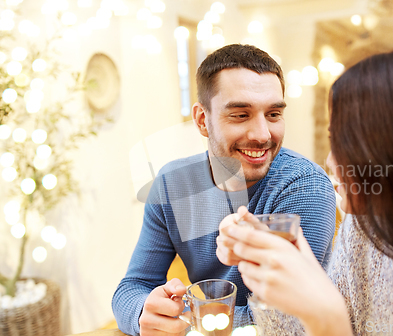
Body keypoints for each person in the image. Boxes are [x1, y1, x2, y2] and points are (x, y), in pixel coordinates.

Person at [219, 46, 393, 336]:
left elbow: (332, 322)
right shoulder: (366, 219)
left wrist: (328, 319)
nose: (330, 161)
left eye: (343, 141)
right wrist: (278, 269)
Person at [111, 44, 337, 336]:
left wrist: (188, 315)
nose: (262, 135)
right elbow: (132, 288)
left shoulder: (305, 185)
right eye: (240, 115)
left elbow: (286, 317)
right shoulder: (171, 183)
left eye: (273, 114)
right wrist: (145, 312)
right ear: (202, 120)